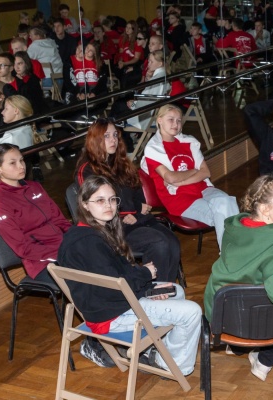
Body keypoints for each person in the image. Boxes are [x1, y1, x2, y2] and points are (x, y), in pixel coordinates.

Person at [57, 175, 201, 376]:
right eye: (100, 200)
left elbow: (116, 277)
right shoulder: (89, 243)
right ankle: (170, 365)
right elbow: (115, 286)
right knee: (192, 312)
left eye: (112, 199)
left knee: (175, 290)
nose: (108, 205)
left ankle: (158, 351)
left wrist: (147, 289)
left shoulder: (92, 232)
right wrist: (145, 274)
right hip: (110, 316)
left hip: (113, 302)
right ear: (85, 205)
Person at [203, 175, 273, 381]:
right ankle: (265, 361)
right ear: (265, 209)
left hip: (220, 317)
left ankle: (237, 347)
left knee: (248, 286)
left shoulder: (234, 227)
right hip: (256, 325)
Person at [75, 119, 181, 283]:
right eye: (106, 136)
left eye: (115, 135)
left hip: (135, 219)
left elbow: (137, 192)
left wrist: (135, 211)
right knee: (159, 243)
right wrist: (127, 212)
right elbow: (98, 202)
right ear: (95, 139)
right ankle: (153, 289)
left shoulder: (121, 163)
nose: (113, 140)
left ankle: (166, 286)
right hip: (112, 228)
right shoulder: (87, 169)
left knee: (172, 242)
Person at [141, 104, 239, 249]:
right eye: (171, 119)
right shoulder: (154, 149)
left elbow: (205, 172)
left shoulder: (188, 142)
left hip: (203, 188)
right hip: (180, 199)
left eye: (179, 120)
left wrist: (182, 181)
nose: (175, 124)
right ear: (159, 120)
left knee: (226, 202)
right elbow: (170, 178)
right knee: (225, 215)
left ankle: (231, 255)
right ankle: (232, 254)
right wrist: (194, 170)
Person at [0, 144, 71, 283]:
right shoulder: (0, 206)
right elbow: (23, 249)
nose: (21, 166)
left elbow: (60, 221)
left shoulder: (35, 187)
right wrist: (61, 252)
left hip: (64, 249)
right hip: (43, 263)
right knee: (88, 276)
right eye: (13, 163)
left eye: (21, 160)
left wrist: (76, 239)